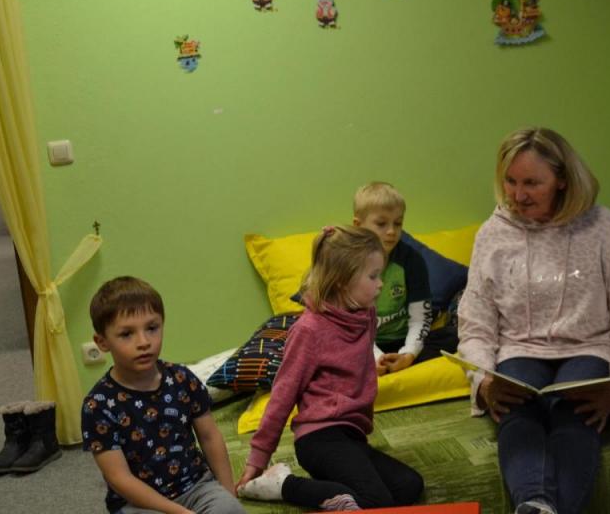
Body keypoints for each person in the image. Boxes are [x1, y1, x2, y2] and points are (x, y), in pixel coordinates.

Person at [457, 127, 610, 514]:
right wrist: (482, 380)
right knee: (516, 411)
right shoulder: (493, 234)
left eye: (532, 183)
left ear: (563, 180)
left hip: (589, 347)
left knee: (574, 413)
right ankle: (535, 503)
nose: (518, 195)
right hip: (519, 349)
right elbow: (476, 322)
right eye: (511, 181)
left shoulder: (603, 228)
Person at [236, 226, 424, 511]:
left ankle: (339, 491)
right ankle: (283, 484)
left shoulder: (366, 315)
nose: (381, 284)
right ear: (342, 281)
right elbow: (283, 394)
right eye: (373, 276)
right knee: (377, 502)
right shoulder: (309, 330)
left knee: (410, 485)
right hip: (318, 438)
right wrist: (257, 459)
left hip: (352, 436)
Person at [81, 277, 244, 514]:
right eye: (126, 334)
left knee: (229, 510)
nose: (143, 342)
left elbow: (210, 437)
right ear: (102, 342)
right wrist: (179, 512)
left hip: (197, 487)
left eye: (152, 328)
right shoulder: (98, 405)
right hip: (139, 503)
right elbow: (119, 478)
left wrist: (228, 492)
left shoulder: (182, 378)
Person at [352, 181, 447, 374]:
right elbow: (350, 324)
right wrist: (376, 357)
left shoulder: (412, 260)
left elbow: (420, 319)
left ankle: (397, 361)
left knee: (455, 337)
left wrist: (408, 354)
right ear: (358, 226)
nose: (391, 231)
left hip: (402, 339)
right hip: (360, 341)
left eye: (398, 223)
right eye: (381, 224)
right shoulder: (347, 262)